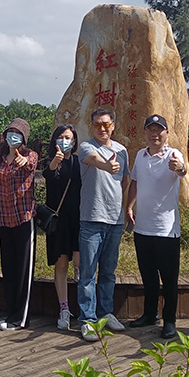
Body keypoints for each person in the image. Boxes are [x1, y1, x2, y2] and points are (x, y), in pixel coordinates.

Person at [125, 114, 188, 340]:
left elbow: (182, 170)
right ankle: (150, 314)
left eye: (159, 130)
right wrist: (129, 206)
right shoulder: (140, 156)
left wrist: (180, 168)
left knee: (169, 278)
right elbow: (135, 182)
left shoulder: (173, 155)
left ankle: (169, 320)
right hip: (142, 226)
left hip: (166, 229)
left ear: (167, 133)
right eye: (150, 130)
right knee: (148, 275)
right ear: (145, 133)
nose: (154, 134)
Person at [77, 109, 130, 342]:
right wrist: (107, 166)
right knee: (88, 272)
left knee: (108, 272)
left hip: (115, 220)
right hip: (91, 218)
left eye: (106, 124)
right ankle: (87, 320)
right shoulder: (86, 147)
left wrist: (124, 207)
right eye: (97, 124)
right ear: (92, 126)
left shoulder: (122, 150)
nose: (102, 129)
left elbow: (125, 181)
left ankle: (105, 313)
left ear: (113, 126)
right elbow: (94, 160)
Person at [0, 118, 39, 331]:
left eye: (18, 133)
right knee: (8, 268)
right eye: (10, 132)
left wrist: (23, 162)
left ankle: (21, 318)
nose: (13, 136)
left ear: (24, 138)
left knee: (23, 271)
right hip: (4, 219)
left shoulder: (30, 156)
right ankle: (10, 312)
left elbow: (30, 165)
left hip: (23, 219)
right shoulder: (2, 158)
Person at [43, 124, 82, 330]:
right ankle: (64, 308)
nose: (64, 141)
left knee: (80, 263)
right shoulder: (50, 161)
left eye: (68, 137)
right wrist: (55, 162)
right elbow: (48, 175)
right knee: (61, 265)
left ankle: (85, 308)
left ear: (74, 141)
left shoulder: (78, 162)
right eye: (61, 137)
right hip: (58, 221)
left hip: (77, 220)